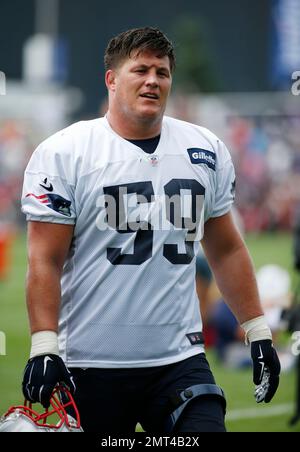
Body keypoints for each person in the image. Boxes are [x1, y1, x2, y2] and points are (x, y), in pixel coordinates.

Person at [21, 27, 280, 433]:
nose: (152, 81)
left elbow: (226, 248)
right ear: (111, 79)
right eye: (140, 70)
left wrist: (258, 330)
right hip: (91, 363)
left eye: (161, 72)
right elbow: (44, 259)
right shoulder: (64, 153)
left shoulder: (205, 148)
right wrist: (44, 346)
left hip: (179, 361)